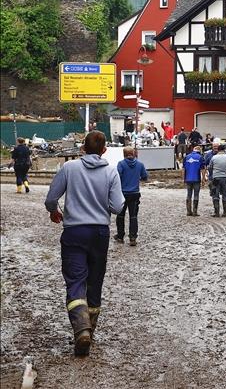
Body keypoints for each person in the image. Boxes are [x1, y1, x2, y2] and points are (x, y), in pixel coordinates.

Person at [44, 131, 124, 356]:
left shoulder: (69, 168)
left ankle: (81, 329)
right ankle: (91, 328)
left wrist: (54, 212)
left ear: (82, 148)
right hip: (99, 233)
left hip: (74, 232)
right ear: (104, 150)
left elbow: (51, 199)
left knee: (75, 280)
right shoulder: (111, 172)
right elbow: (117, 207)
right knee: (95, 281)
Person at [115, 147, 148, 246]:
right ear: (133, 154)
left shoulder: (121, 164)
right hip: (134, 194)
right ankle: (133, 237)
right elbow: (145, 177)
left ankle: (120, 236)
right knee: (133, 216)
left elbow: (117, 177)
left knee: (120, 216)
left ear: (124, 154)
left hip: (122, 194)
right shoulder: (140, 164)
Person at [208, 144, 226, 217]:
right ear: (224, 150)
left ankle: (216, 212)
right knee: (225, 195)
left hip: (216, 178)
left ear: (218, 150)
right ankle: (225, 212)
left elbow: (210, 167)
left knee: (215, 195)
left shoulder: (214, 157)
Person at [182, 146, 204, 216]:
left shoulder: (187, 157)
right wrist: (203, 179)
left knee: (189, 194)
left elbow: (183, 169)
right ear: (199, 150)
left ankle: (188, 211)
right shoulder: (200, 157)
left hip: (188, 178)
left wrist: (183, 178)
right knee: (196, 195)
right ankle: (195, 211)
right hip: (196, 179)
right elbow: (203, 169)